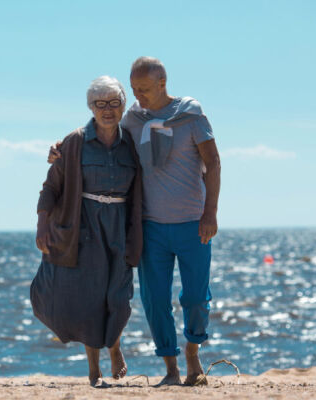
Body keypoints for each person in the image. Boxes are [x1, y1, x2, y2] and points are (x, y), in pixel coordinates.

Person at [48, 57, 221, 386]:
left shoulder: (191, 114)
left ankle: (193, 353)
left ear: (162, 83)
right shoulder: (133, 119)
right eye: (134, 90)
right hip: (151, 227)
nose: (138, 96)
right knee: (154, 300)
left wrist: (210, 212)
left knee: (196, 297)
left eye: (143, 90)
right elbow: (98, 127)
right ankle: (170, 369)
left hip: (192, 223)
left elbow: (213, 162)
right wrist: (63, 146)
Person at [30, 76, 143, 387]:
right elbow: (51, 187)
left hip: (119, 225)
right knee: (91, 300)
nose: (107, 109)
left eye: (113, 103)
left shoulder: (130, 142)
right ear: (91, 108)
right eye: (99, 104)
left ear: (123, 105)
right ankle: (94, 368)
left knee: (119, 298)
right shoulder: (75, 142)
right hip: (86, 227)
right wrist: (42, 222)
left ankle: (115, 346)